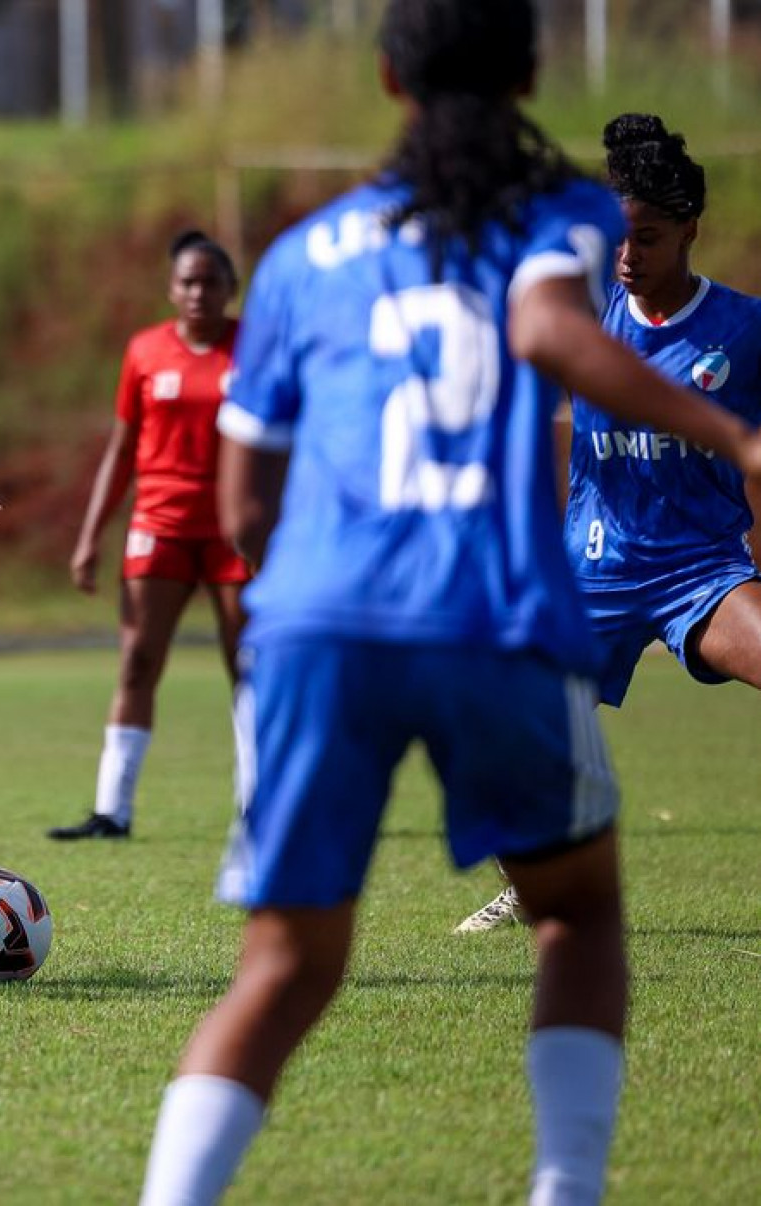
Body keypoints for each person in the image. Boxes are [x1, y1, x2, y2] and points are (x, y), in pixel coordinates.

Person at [135, 4, 761, 1203]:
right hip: (490, 609)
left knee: (282, 965)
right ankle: (563, 1188)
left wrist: (302, 609)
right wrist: (731, 433)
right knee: (576, 917)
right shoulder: (561, 215)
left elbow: (245, 506)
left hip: (319, 623)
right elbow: (541, 323)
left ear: (386, 77)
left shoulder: (304, 254)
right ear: (532, 72)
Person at [458, 112, 761, 933]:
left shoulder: (746, 329)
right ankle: (531, 884)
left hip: (704, 568)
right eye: (619, 238)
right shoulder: (583, 322)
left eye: (650, 239)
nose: (628, 256)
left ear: (691, 231)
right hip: (593, 569)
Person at [48, 230, 254, 841]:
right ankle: (113, 809)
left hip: (232, 531)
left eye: (210, 282)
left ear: (230, 289)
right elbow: (122, 449)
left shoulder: (255, 347)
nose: (198, 293)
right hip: (158, 526)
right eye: (187, 282)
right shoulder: (145, 351)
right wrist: (90, 536)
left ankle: (258, 805)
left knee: (249, 664)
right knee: (138, 662)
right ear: (171, 288)